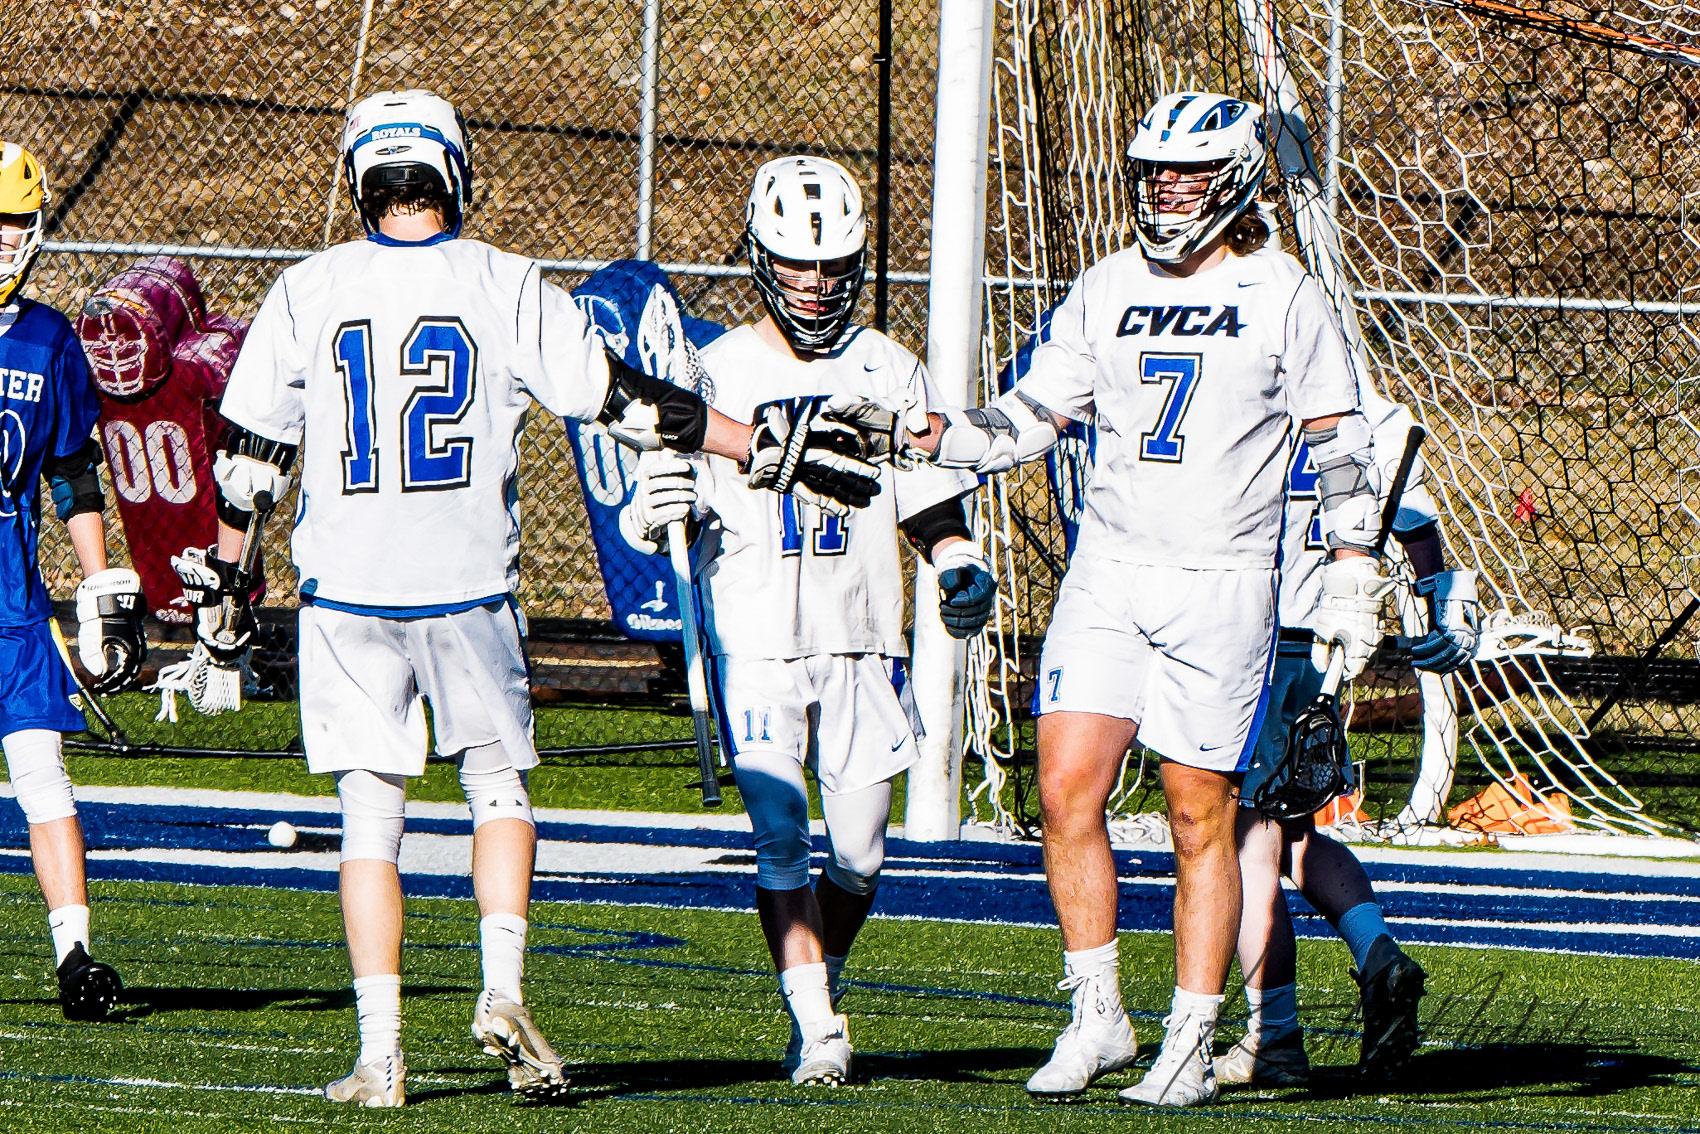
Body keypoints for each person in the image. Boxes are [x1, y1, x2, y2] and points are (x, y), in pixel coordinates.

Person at [194, 90, 893, 1108]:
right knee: (498, 793)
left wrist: (224, 596)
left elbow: (249, 467)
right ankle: (502, 987)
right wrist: (759, 445)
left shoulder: (307, 288)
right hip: (467, 582)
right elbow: (625, 403)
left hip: (344, 588)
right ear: (454, 174)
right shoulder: (504, 280)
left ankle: (381, 1056)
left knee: (368, 822)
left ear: (360, 179)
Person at [913, 91, 1389, 1106]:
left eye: (1186, 172)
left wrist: (1355, 567)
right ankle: (1098, 1014)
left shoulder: (1282, 292)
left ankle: (1190, 1035)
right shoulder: (1107, 284)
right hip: (1108, 572)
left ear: (1234, 180)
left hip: (1223, 583)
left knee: (1196, 815)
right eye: (1152, 173)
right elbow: (1033, 415)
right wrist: (937, 436)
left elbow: (1339, 439)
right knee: (1063, 791)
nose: (1165, 189)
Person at [623, 155, 994, 1087]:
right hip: (754, 631)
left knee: (861, 855)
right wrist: (657, 509)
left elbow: (928, 495)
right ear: (760, 259)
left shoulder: (886, 366)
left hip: (862, 631)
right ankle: (818, 1023)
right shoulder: (717, 369)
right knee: (782, 834)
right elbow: (655, 507)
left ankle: (816, 980)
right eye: (796, 263)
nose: (816, 283)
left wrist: (956, 559)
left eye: (832, 266)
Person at [1220, 386, 1478, 1087]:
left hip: (1251, 634)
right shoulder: (1376, 412)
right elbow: (1419, 530)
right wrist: (1443, 601)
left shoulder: (1250, 381)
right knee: (1291, 831)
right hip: (1331, 642)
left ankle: (1273, 1037)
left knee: (1244, 841)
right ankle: (1376, 954)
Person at [0, 142, 147, 1021]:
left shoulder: (47, 339)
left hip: (12, 610)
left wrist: (100, 584)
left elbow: (71, 469)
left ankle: (75, 956)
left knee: (43, 774)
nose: (2, 237)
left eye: (14, 221)